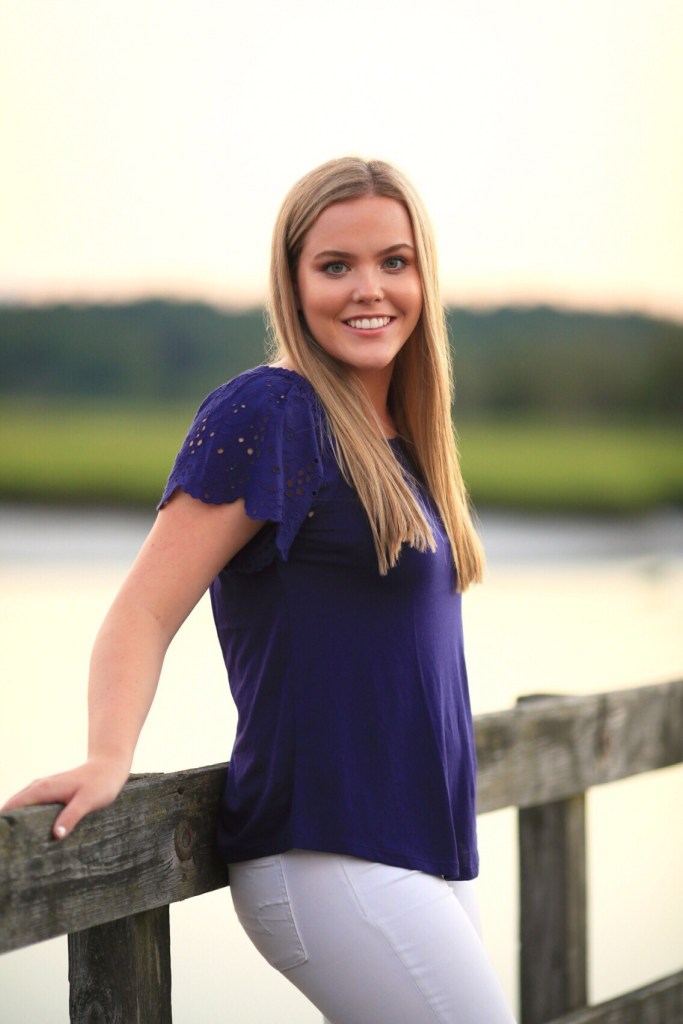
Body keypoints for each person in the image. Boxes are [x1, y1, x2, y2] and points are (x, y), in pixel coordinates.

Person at [3, 157, 516, 1024]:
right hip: (326, 852)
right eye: (335, 265)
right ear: (292, 281)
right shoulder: (270, 413)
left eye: (393, 261)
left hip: (425, 844)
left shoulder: (404, 435)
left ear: (423, 274)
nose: (369, 289)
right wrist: (108, 754)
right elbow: (143, 609)